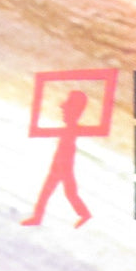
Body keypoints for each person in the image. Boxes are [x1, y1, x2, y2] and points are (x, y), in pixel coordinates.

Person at [22, 90, 94, 227]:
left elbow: (67, 149)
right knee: (56, 192)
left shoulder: (72, 129)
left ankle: (84, 214)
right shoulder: (70, 129)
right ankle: (38, 217)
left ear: (74, 112)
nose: (63, 112)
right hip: (59, 162)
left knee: (67, 192)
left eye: (66, 110)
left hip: (64, 163)